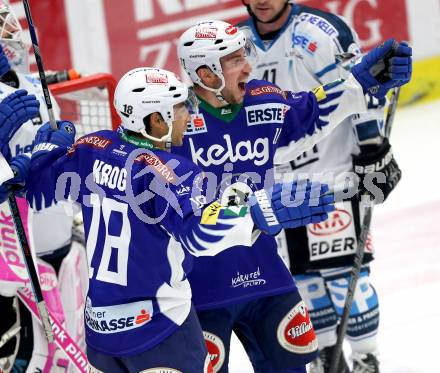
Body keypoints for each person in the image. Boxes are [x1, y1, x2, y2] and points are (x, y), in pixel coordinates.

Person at [24, 67, 336, 372]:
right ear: (155, 120)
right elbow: (199, 233)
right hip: (159, 328)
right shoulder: (170, 169)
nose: (188, 114)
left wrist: (47, 147)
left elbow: (37, 187)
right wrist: (257, 207)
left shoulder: (92, 148)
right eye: (179, 108)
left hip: (101, 333)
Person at [173, 19, 411, 373]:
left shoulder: (261, 100)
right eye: (235, 60)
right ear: (206, 75)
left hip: (266, 276)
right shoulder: (174, 122)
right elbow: (170, 203)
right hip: (201, 291)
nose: (248, 66)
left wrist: (361, 82)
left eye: (245, 56)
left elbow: (310, 110)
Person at [238, 1, 408, 372]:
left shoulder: (321, 32)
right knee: (302, 281)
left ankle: (365, 359)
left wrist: (371, 149)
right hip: (279, 186)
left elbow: (363, 91)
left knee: (346, 276)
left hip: (335, 176)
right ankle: (328, 360)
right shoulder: (237, 43)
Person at [0, 1, 88, 371]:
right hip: (10, 267)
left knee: (71, 354)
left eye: (7, 21)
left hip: (57, 246)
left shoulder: (35, 88)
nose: (9, 34)